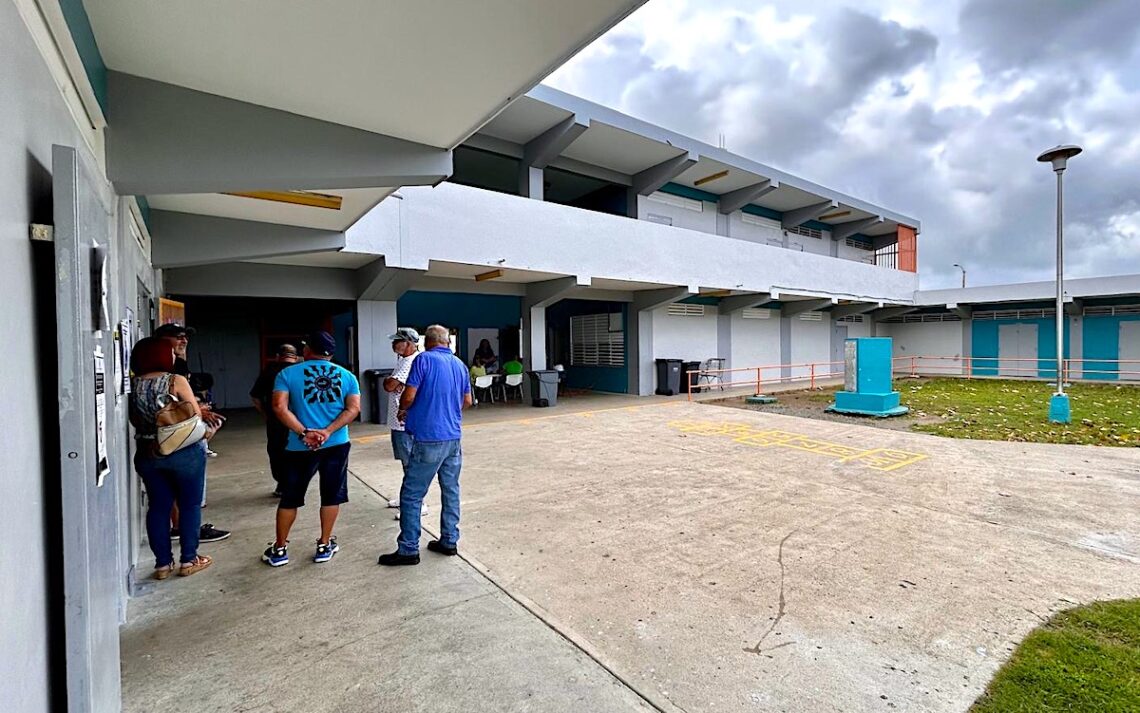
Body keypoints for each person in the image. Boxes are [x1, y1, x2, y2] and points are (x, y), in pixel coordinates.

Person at [263, 331, 361, 566]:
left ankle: (279, 549)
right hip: (336, 444)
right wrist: (327, 432)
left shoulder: (286, 374)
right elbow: (353, 409)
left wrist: (304, 432)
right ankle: (324, 544)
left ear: (307, 351)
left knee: (290, 498)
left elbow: (278, 407)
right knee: (331, 494)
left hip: (299, 446)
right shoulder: (348, 376)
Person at [379, 324, 472, 566]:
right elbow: (468, 401)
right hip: (453, 438)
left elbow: (408, 396)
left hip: (429, 438)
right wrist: (448, 412)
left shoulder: (423, 360)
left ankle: (409, 548)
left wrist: (403, 410)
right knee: (450, 490)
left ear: (427, 342)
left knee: (411, 494)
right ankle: (449, 540)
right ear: (447, 342)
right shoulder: (460, 365)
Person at [128, 337, 214, 578]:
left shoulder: (132, 385)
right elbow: (194, 415)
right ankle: (189, 560)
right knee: (189, 505)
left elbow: (133, 419)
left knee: (158, 507)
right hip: (183, 450)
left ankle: (162, 565)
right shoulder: (175, 380)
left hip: (147, 450)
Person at [154, 322, 230, 543]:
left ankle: (180, 526)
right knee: (185, 487)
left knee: (174, 487)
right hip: (175, 432)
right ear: (162, 340)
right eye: (178, 337)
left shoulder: (177, 364)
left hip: (172, 432)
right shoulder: (165, 369)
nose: (184, 341)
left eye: (185, 337)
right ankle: (188, 532)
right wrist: (198, 415)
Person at [383, 329, 428, 520]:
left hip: (404, 422)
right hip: (398, 422)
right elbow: (391, 384)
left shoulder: (411, 361)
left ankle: (418, 504)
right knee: (405, 463)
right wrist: (391, 382)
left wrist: (390, 382)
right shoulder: (403, 360)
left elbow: (389, 386)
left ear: (409, 343)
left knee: (411, 464)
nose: (393, 345)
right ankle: (407, 499)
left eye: (398, 341)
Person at [250, 344, 301, 497]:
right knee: (297, 451)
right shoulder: (301, 371)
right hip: (299, 420)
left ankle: (282, 484)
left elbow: (255, 396)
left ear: (278, 356)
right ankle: (295, 484)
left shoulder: (269, 371)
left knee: (277, 451)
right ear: (295, 356)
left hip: (276, 420)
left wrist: (266, 414)